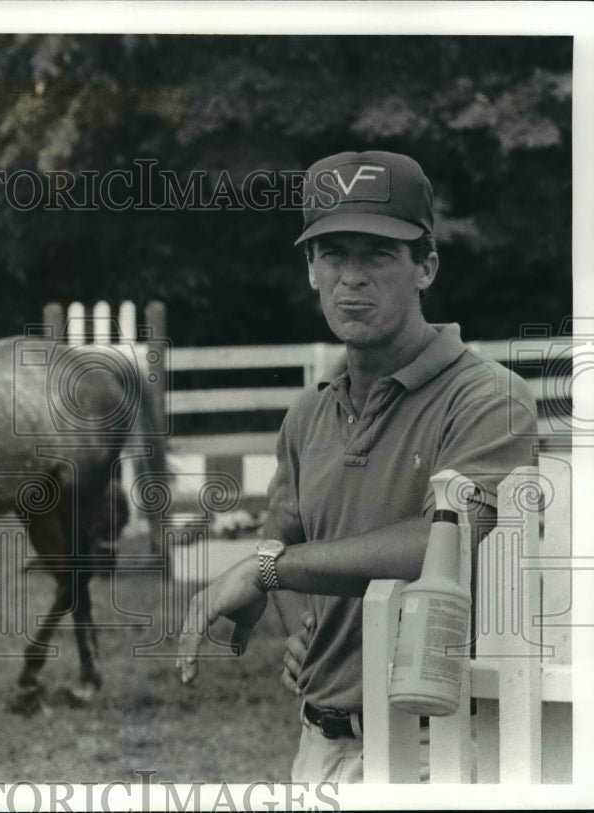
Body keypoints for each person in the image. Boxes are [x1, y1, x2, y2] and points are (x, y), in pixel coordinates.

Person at [175, 150, 538, 783]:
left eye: (377, 254)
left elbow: (441, 543)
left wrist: (268, 573)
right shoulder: (307, 415)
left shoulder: (488, 397)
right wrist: (301, 630)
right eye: (333, 254)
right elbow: (286, 534)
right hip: (320, 742)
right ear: (310, 270)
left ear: (425, 266)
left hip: (443, 746)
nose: (352, 278)